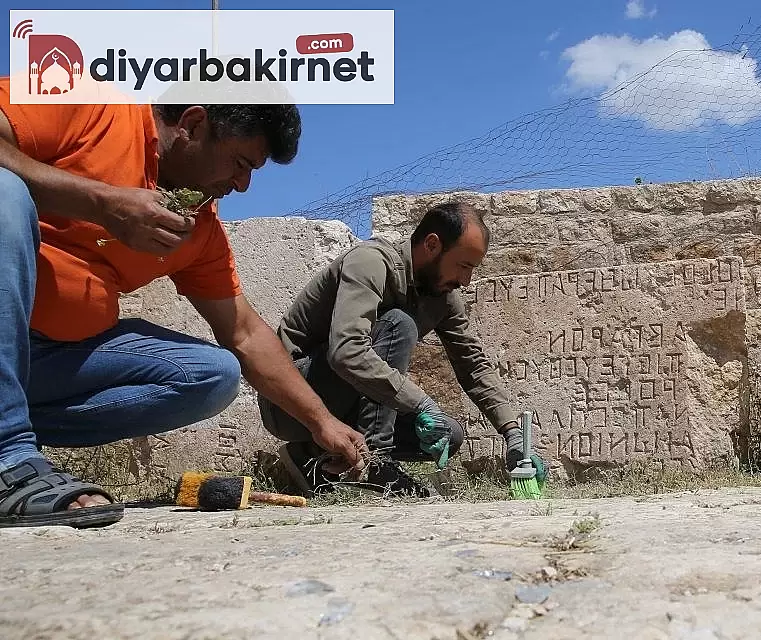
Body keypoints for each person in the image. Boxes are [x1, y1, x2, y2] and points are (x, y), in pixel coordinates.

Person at [0, 77, 369, 529]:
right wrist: (101, 203)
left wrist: (321, 422)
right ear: (194, 123)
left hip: (46, 362)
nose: (243, 185)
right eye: (240, 163)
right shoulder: (86, 105)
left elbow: (244, 333)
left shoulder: (196, 228)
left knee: (213, 376)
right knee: (4, 192)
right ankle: (9, 456)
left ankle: (9, 420)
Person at [260, 201, 547, 496]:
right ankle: (376, 466)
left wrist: (512, 434)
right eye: (463, 266)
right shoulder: (370, 262)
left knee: (450, 434)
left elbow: (473, 366)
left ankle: (312, 457)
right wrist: (422, 403)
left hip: (340, 406)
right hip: (290, 400)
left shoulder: (443, 298)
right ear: (432, 245)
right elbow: (346, 350)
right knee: (399, 324)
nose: (465, 281)